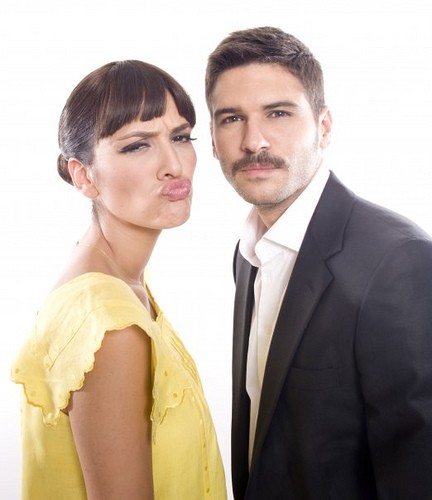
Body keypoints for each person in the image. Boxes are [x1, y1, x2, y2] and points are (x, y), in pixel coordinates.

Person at [205, 26, 432, 499]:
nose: (253, 141)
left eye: (278, 113)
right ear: (212, 138)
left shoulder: (397, 260)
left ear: (324, 127)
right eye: (232, 118)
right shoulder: (248, 253)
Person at [12, 60, 227, 500]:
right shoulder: (109, 324)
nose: (174, 165)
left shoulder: (116, 285)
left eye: (180, 137)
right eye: (137, 146)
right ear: (84, 176)